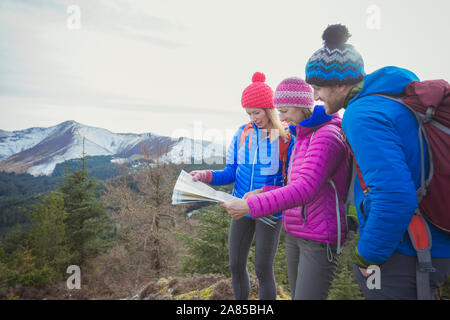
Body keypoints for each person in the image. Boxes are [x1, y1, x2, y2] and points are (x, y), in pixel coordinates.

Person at [304, 23, 450, 299]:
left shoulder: (362, 115)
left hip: (406, 251)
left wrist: (366, 255)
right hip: (430, 244)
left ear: (342, 83)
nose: (315, 96)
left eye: (318, 86)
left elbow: (395, 196)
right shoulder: (391, 101)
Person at [220, 77, 351, 300]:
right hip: (296, 231)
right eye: (278, 112)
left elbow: (304, 190)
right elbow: (293, 184)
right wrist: (264, 192)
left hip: (319, 235)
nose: (281, 118)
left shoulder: (326, 136)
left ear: (302, 106)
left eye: (284, 110)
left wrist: (251, 205)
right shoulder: (302, 136)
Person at [189, 72, 293, 300]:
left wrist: (264, 194)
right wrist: (205, 175)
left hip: (269, 209)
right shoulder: (242, 134)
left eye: (257, 112)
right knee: (235, 264)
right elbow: (230, 173)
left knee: (263, 269)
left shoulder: (286, 137)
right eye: (249, 113)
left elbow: (290, 183)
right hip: (240, 205)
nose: (254, 117)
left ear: (269, 108)